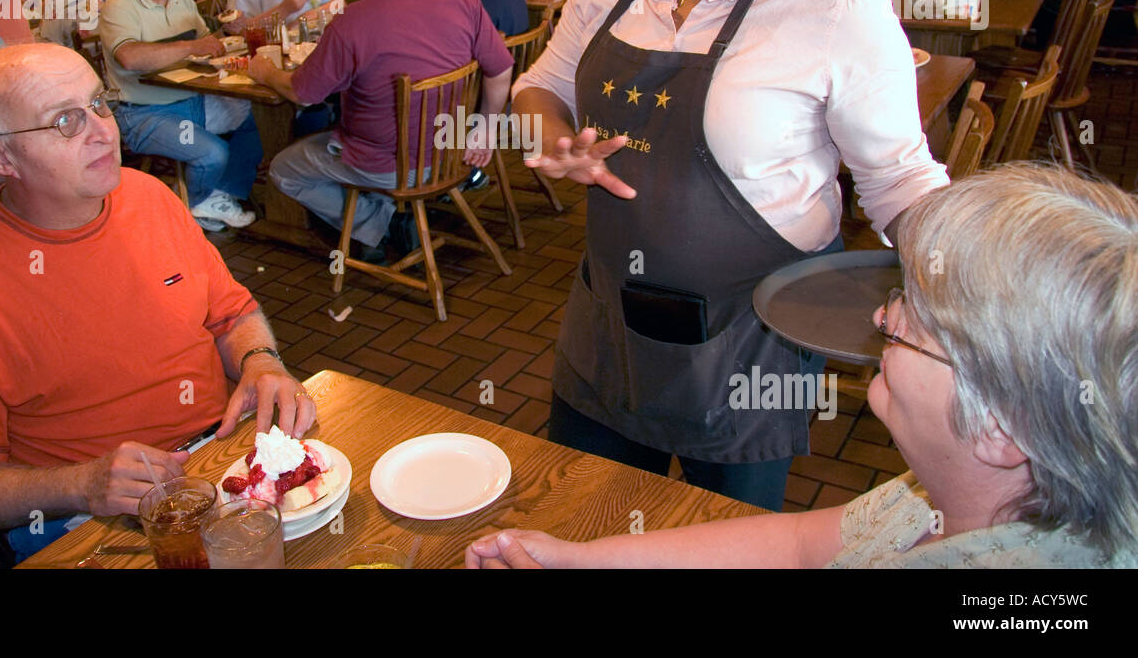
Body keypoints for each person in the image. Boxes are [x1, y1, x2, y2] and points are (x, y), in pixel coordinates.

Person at [511, 0, 948, 511]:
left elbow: (901, 180)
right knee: (580, 518)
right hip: (609, 323)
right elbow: (539, 84)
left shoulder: (838, 7)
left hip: (750, 343)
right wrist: (548, 135)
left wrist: (975, 283)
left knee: (726, 537)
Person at [469, 164, 1138, 568]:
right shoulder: (954, 499)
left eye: (918, 320)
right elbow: (798, 547)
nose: (883, 319)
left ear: (1000, 426)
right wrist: (574, 558)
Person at [0, 43, 313, 557]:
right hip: (82, 519)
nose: (104, 131)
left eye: (99, 104)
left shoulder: (150, 197)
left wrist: (261, 361)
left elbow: (232, 312)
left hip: (221, 462)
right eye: (66, 121)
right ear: (1, 156)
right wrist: (83, 484)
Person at [248, 0, 514, 258]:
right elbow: (501, 69)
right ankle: (388, 218)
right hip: (452, 154)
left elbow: (303, 92)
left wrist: (265, 72)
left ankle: (377, 222)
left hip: (386, 169)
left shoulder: (352, 22)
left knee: (283, 169)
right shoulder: (465, 0)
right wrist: (486, 127)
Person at [98, 0, 260, 231]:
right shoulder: (119, 7)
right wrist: (192, 46)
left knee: (253, 121)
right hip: (143, 113)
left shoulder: (181, 0)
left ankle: (219, 194)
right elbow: (129, 57)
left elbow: (205, 45)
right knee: (213, 153)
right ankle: (190, 203)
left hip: (192, 100)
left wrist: (226, 32)